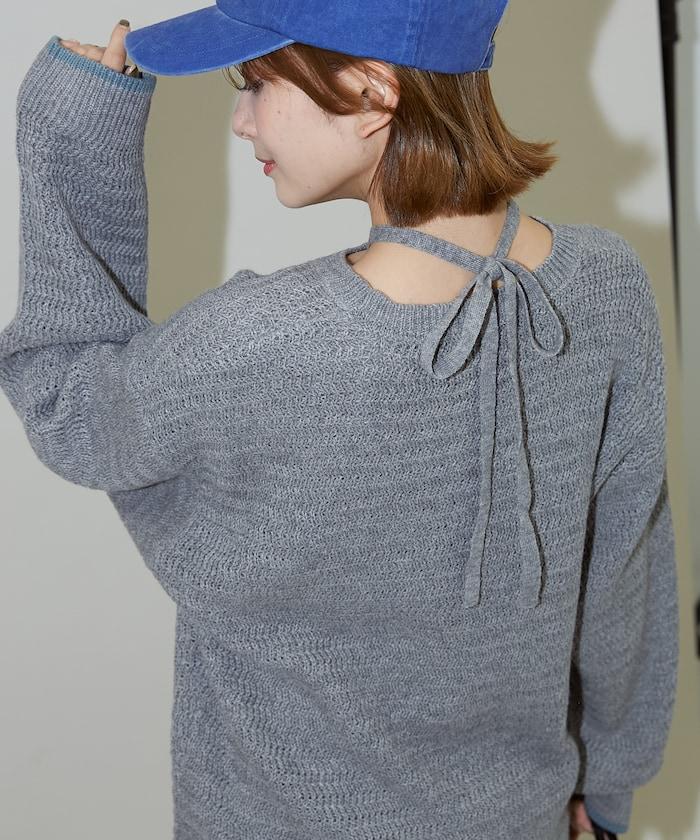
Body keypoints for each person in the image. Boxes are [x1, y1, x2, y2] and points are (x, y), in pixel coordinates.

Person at [0, 4, 678, 839]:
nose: (242, 120)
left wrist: (77, 132)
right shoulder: (605, 287)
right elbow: (625, 582)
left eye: (254, 82)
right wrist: (605, 794)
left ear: (370, 89)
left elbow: (71, 401)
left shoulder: (260, 345)